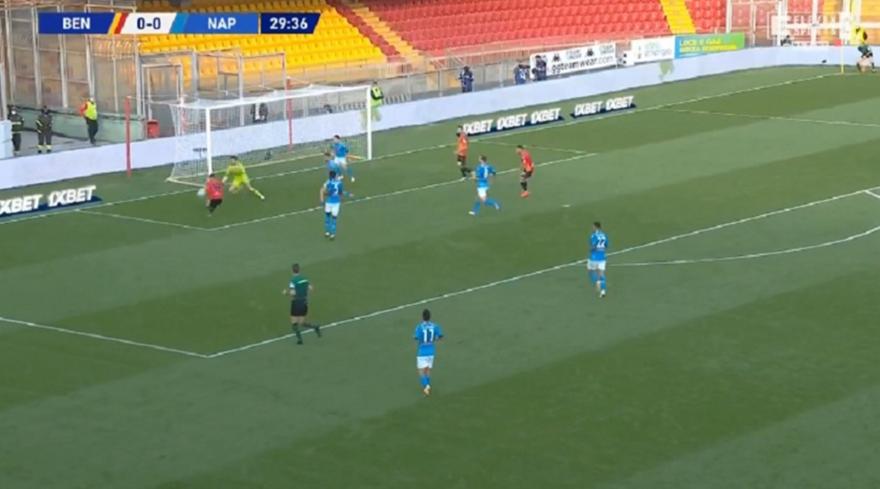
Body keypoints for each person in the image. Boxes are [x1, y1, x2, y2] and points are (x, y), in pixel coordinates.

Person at [282, 263, 320, 345]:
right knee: (302, 322)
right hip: (304, 302)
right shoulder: (305, 279)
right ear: (299, 270)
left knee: (294, 323)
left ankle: (300, 340)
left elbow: (293, 293)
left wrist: (286, 293)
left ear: (292, 270)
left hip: (296, 303)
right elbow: (311, 288)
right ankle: (315, 327)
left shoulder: (293, 281)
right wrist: (304, 293)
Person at [414, 308, 443, 396]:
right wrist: (434, 340)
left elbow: (416, 338)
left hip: (422, 352)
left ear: (422, 317)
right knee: (427, 370)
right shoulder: (435, 326)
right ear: (430, 317)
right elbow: (440, 336)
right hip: (431, 351)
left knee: (421, 371)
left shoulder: (419, 327)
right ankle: (427, 385)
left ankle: (426, 386)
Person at [588, 221, 609, 298]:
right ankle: (603, 291)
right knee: (601, 274)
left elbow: (593, 246)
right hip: (602, 257)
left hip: (594, 257)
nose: (592, 228)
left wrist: (591, 249)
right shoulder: (604, 235)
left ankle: (597, 282)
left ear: (595, 227)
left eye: (593, 226)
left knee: (591, 271)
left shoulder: (593, 236)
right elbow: (606, 245)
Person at [321, 170, 344, 239]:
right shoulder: (340, 183)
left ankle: (327, 232)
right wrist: (341, 199)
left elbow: (324, 191)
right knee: (334, 218)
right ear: (335, 176)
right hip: (336, 203)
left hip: (328, 202)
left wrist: (324, 197)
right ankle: (332, 234)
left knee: (327, 217)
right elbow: (340, 193)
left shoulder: (328, 182)